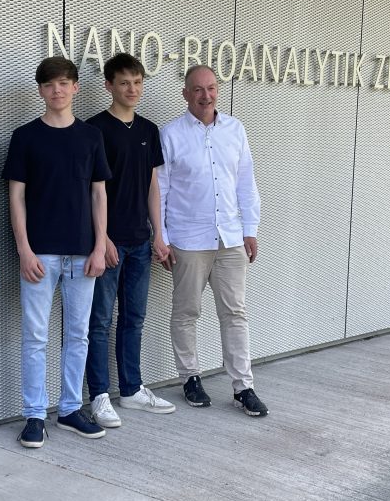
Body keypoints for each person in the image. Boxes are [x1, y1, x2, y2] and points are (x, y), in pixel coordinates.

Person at [2, 56, 111, 448]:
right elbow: (16, 197)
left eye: (64, 83)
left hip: (83, 254)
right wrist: (23, 250)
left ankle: (69, 409)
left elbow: (99, 194)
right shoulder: (25, 136)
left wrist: (100, 246)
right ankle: (34, 415)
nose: (57, 90)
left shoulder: (90, 137)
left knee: (77, 335)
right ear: (41, 90)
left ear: (76, 88)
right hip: (40, 255)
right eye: (49, 84)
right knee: (35, 336)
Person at [158, 64, 268, 417]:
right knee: (187, 312)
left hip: (231, 237)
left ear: (217, 90)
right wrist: (160, 237)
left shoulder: (235, 130)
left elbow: (246, 183)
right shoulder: (171, 134)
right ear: (186, 94)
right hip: (188, 239)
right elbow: (160, 190)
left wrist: (250, 229)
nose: (206, 95)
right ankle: (190, 377)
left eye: (211, 88)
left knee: (235, 313)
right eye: (198, 89)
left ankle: (243, 386)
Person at [85, 53, 175, 428]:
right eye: (124, 83)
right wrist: (101, 237)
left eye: (137, 82)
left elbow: (154, 185)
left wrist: (159, 235)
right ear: (108, 85)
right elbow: (93, 190)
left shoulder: (148, 130)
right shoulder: (95, 130)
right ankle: (99, 396)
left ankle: (132, 389)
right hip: (109, 241)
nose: (132, 89)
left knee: (134, 318)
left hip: (140, 241)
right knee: (100, 321)